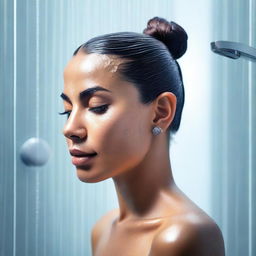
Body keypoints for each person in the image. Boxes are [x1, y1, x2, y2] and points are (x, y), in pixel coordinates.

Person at [60, 16, 225, 256]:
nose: (70, 128)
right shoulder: (103, 229)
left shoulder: (185, 235)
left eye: (97, 107)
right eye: (67, 111)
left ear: (160, 112)